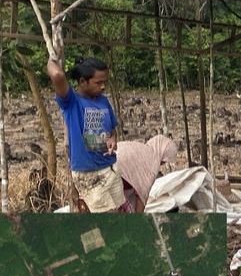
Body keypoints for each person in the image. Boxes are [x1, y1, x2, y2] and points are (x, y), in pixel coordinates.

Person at [46, 56, 124, 213]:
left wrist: (112, 138)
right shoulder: (72, 102)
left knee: (119, 213)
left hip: (110, 168)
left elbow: (112, 127)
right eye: (98, 83)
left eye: (104, 82)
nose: (103, 87)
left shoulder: (103, 101)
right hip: (89, 174)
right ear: (83, 82)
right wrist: (53, 57)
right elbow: (57, 75)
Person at [115, 134, 178, 213]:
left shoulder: (140, 148)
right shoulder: (151, 162)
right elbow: (141, 194)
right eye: (164, 161)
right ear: (162, 155)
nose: (162, 164)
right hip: (113, 178)